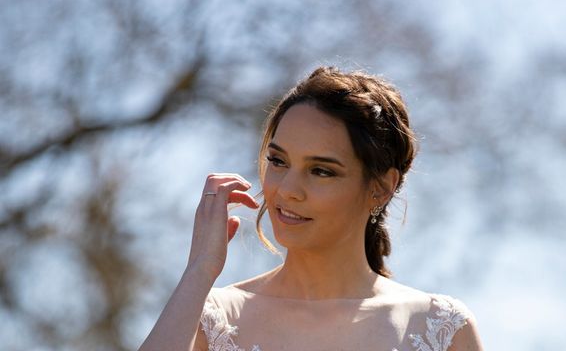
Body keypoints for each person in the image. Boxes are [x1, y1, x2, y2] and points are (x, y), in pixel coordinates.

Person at [139, 66, 484, 351]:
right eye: (278, 161)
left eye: (321, 171)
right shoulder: (211, 318)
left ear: (381, 187)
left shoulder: (442, 329)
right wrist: (199, 271)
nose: (287, 190)